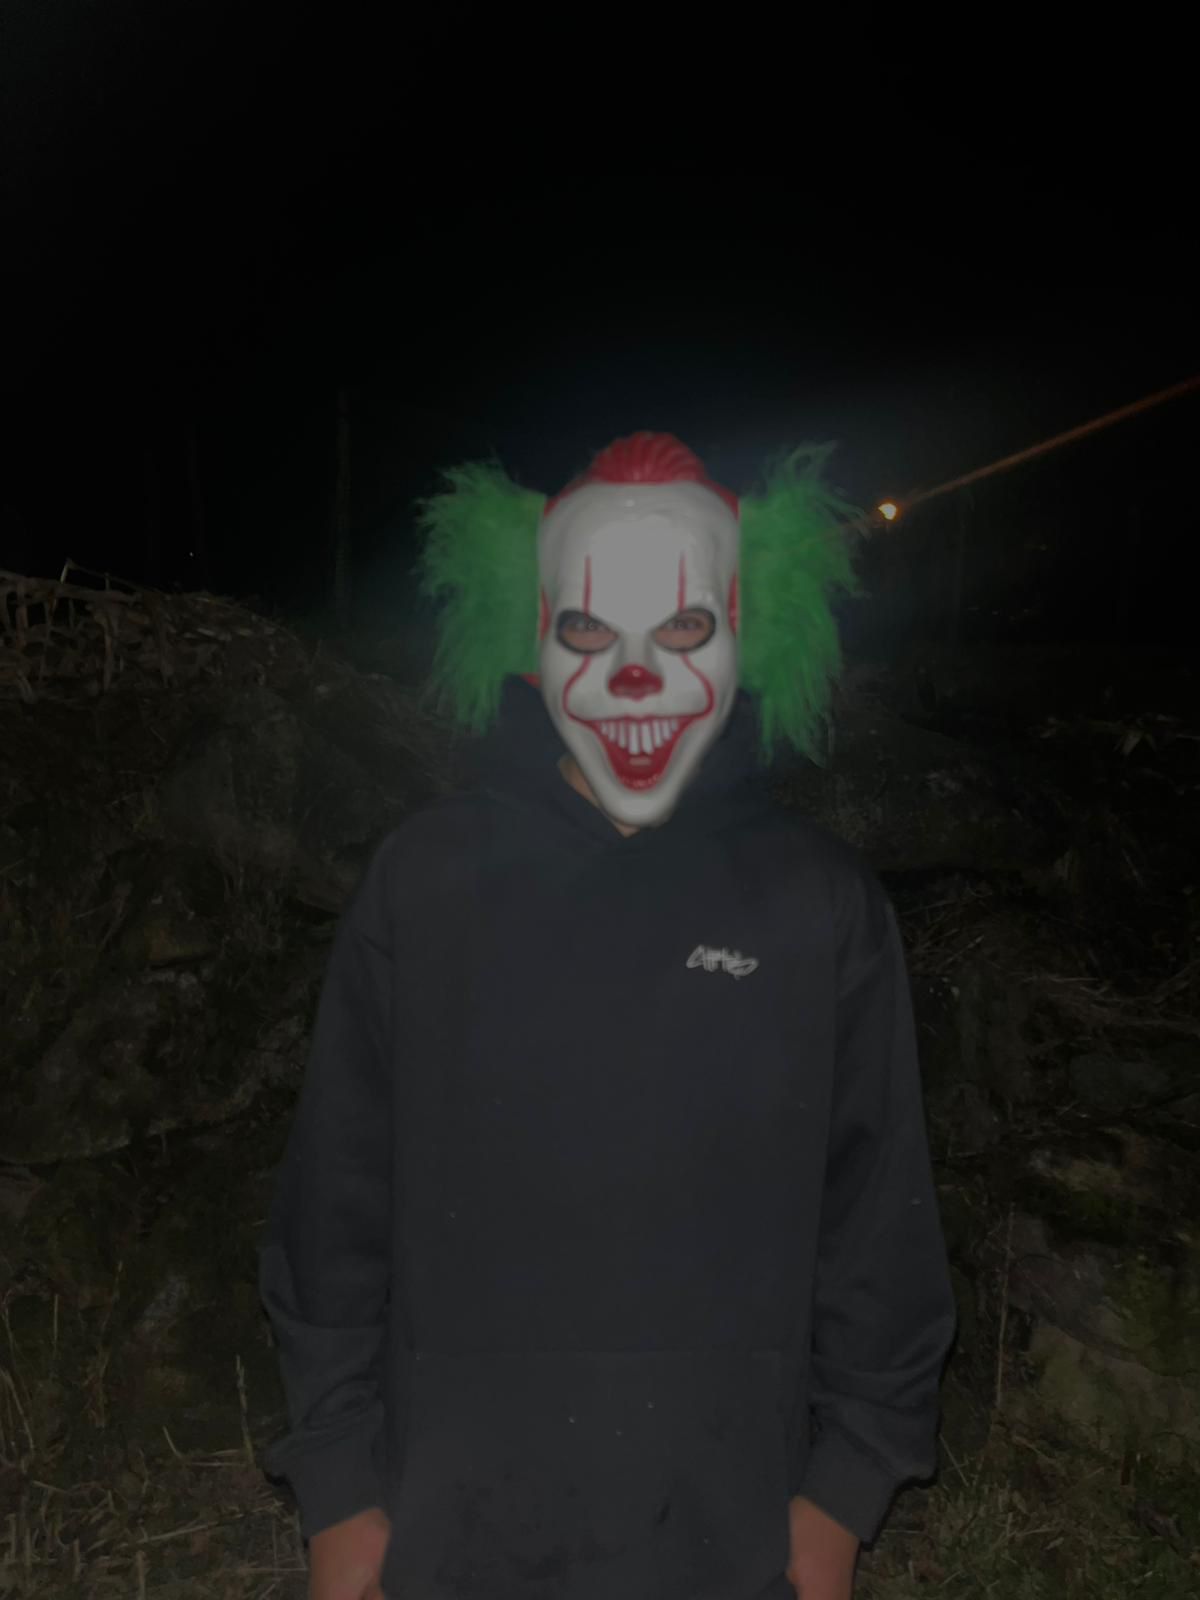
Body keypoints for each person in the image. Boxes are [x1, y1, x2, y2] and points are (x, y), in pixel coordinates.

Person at [259, 432, 956, 1600]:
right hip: (456, 1539)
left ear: (745, 628)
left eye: (682, 627)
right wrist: (338, 1491)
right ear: (532, 635)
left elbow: (878, 1225)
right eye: (590, 630)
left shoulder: (820, 905)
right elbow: (334, 1205)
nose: (635, 676)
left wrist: (841, 1499)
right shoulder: (423, 885)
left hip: (730, 1546)